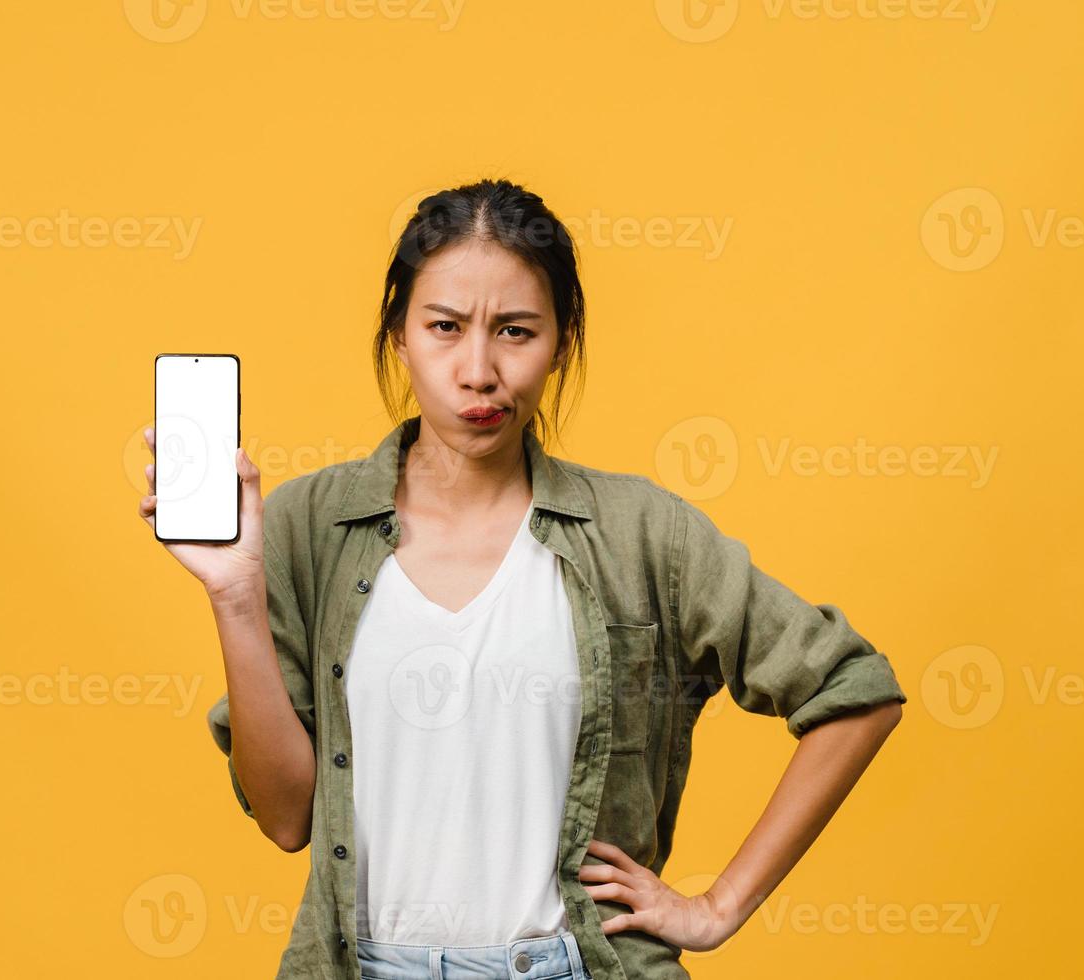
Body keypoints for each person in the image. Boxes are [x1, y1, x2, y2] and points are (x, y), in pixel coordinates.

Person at [138, 178, 907, 979]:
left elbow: (855, 689)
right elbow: (286, 816)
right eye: (444, 327)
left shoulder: (642, 533)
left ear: (561, 341)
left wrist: (718, 907)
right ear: (398, 334)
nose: (479, 370)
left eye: (515, 331)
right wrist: (233, 598)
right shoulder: (304, 527)